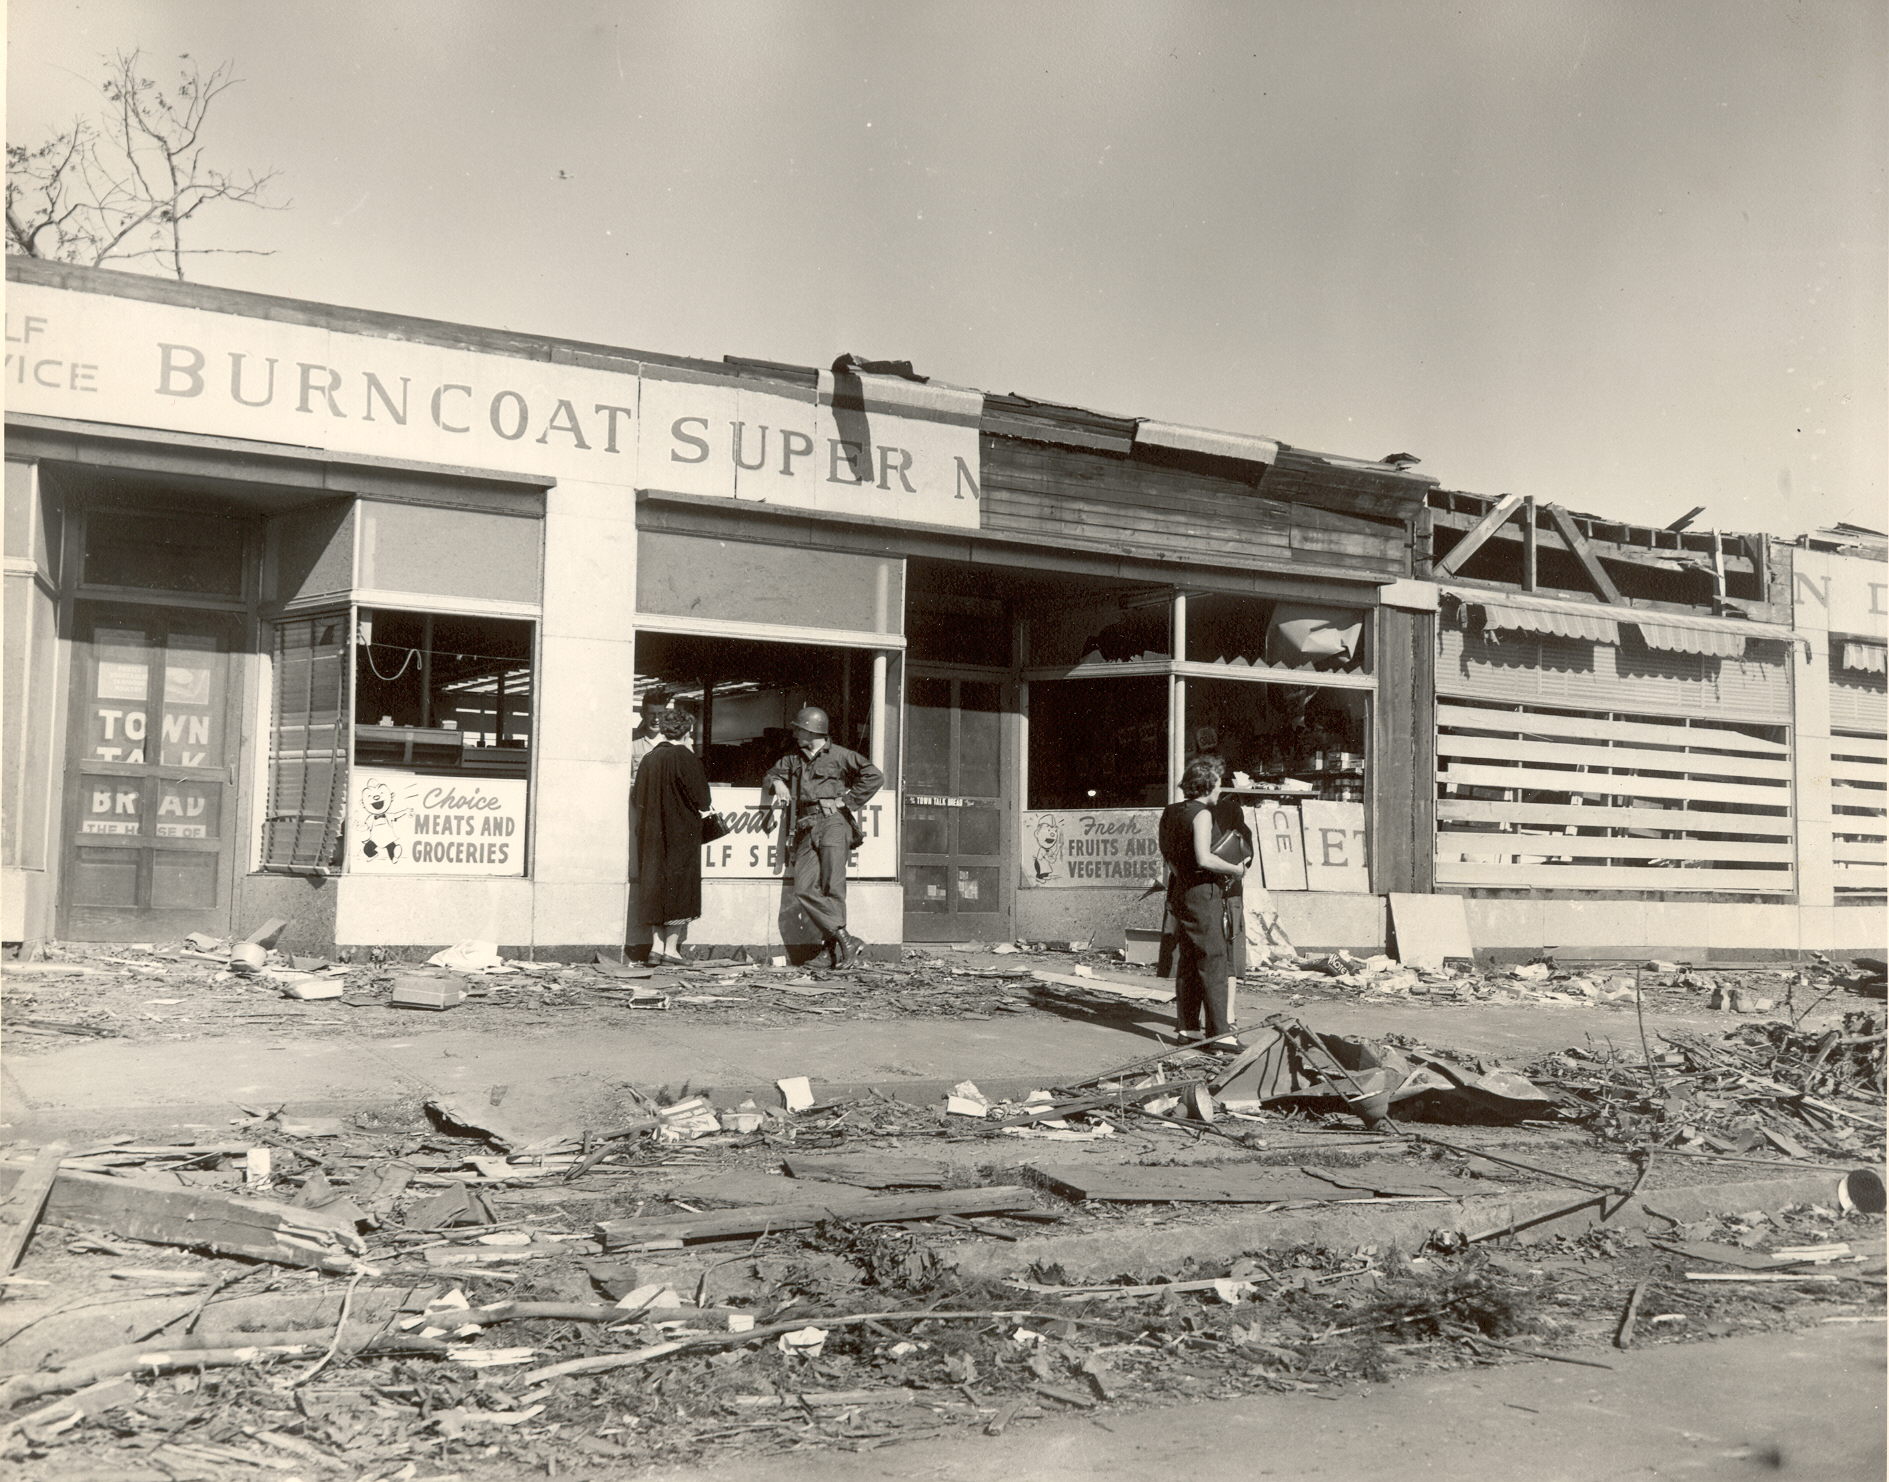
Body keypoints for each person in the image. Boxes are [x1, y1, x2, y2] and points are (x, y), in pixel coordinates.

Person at [763, 705, 884, 969]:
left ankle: (830, 952)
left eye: (799, 729)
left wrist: (847, 802)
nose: (795, 734)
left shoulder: (841, 755)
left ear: (811, 731)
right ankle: (846, 939)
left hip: (833, 823)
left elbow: (874, 776)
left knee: (833, 888)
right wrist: (778, 782)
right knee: (804, 888)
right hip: (806, 825)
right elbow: (770, 775)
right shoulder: (793, 758)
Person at [1159, 753, 1247, 1052]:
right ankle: (1220, 1034)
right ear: (1208, 784)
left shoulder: (1171, 812)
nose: (1220, 789)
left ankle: (1188, 1029)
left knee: (1188, 961)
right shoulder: (1203, 814)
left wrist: (1182, 877)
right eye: (1218, 783)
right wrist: (1235, 869)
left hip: (1181, 891)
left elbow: (1169, 858)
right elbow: (1205, 858)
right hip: (1204, 893)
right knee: (1214, 961)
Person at [631, 707, 713, 965]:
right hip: (682, 834)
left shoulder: (649, 758)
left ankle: (655, 948)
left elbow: (636, 797)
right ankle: (671, 950)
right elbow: (703, 799)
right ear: (687, 730)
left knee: (654, 886)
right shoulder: (687, 758)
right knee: (679, 888)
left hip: (651, 835)